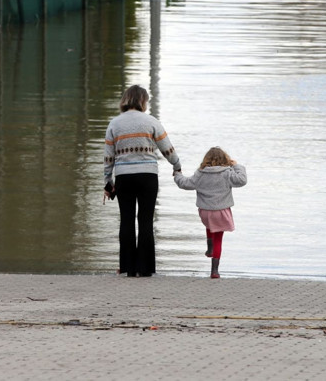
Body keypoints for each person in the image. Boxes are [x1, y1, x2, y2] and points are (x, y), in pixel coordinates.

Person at [104, 85, 182, 277]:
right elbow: (167, 148)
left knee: (126, 220)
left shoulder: (114, 124)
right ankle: (145, 268)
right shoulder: (151, 121)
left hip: (124, 177)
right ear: (143, 101)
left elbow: (108, 157)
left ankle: (128, 268)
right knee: (146, 221)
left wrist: (108, 181)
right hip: (148, 176)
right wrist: (176, 165)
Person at [173, 147, 247, 279]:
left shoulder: (200, 173)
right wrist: (236, 165)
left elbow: (185, 184)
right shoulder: (227, 173)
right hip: (221, 211)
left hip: (205, 212)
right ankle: (214, 271)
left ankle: (209, 248)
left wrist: (178, 174)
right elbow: (242, 180)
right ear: (225, 160)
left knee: (210, 224)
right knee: (218, 238)